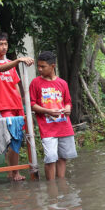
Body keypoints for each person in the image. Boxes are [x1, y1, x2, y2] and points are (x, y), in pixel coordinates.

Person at [0, 31, 34, 181]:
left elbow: (16, 85)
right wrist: (18, 61)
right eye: (0, 44)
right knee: (11, 137)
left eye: (5, 44)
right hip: (3, 105)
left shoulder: (11, 64)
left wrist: (22, 104)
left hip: (16, 105)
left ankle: (13, 172)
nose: (4, 47)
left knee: (17, 139)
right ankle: (13, 171)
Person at [29, 51, 77, 180]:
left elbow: (68, 102)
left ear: (52, 66)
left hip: (64, 126)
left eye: (43, 66)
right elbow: (31, 105)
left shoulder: (62, 83)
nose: (39, 69)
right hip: (47, 128)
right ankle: (52, 189)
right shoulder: (35, 83)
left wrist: (67, 108)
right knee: (50, 158)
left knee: (62, 158)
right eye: (38, 66)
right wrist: (48, 111)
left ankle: (60, 184)